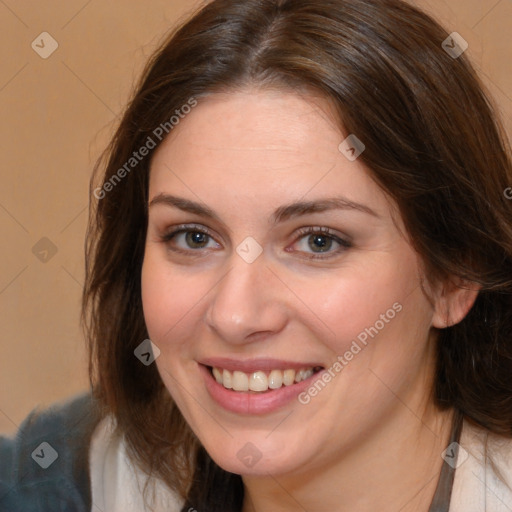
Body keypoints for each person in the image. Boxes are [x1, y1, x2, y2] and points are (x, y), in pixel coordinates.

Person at [1, 0, 512, 510]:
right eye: (193, 237)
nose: (235, 315)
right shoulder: (52, 481)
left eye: (319, 241)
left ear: (453, 276)